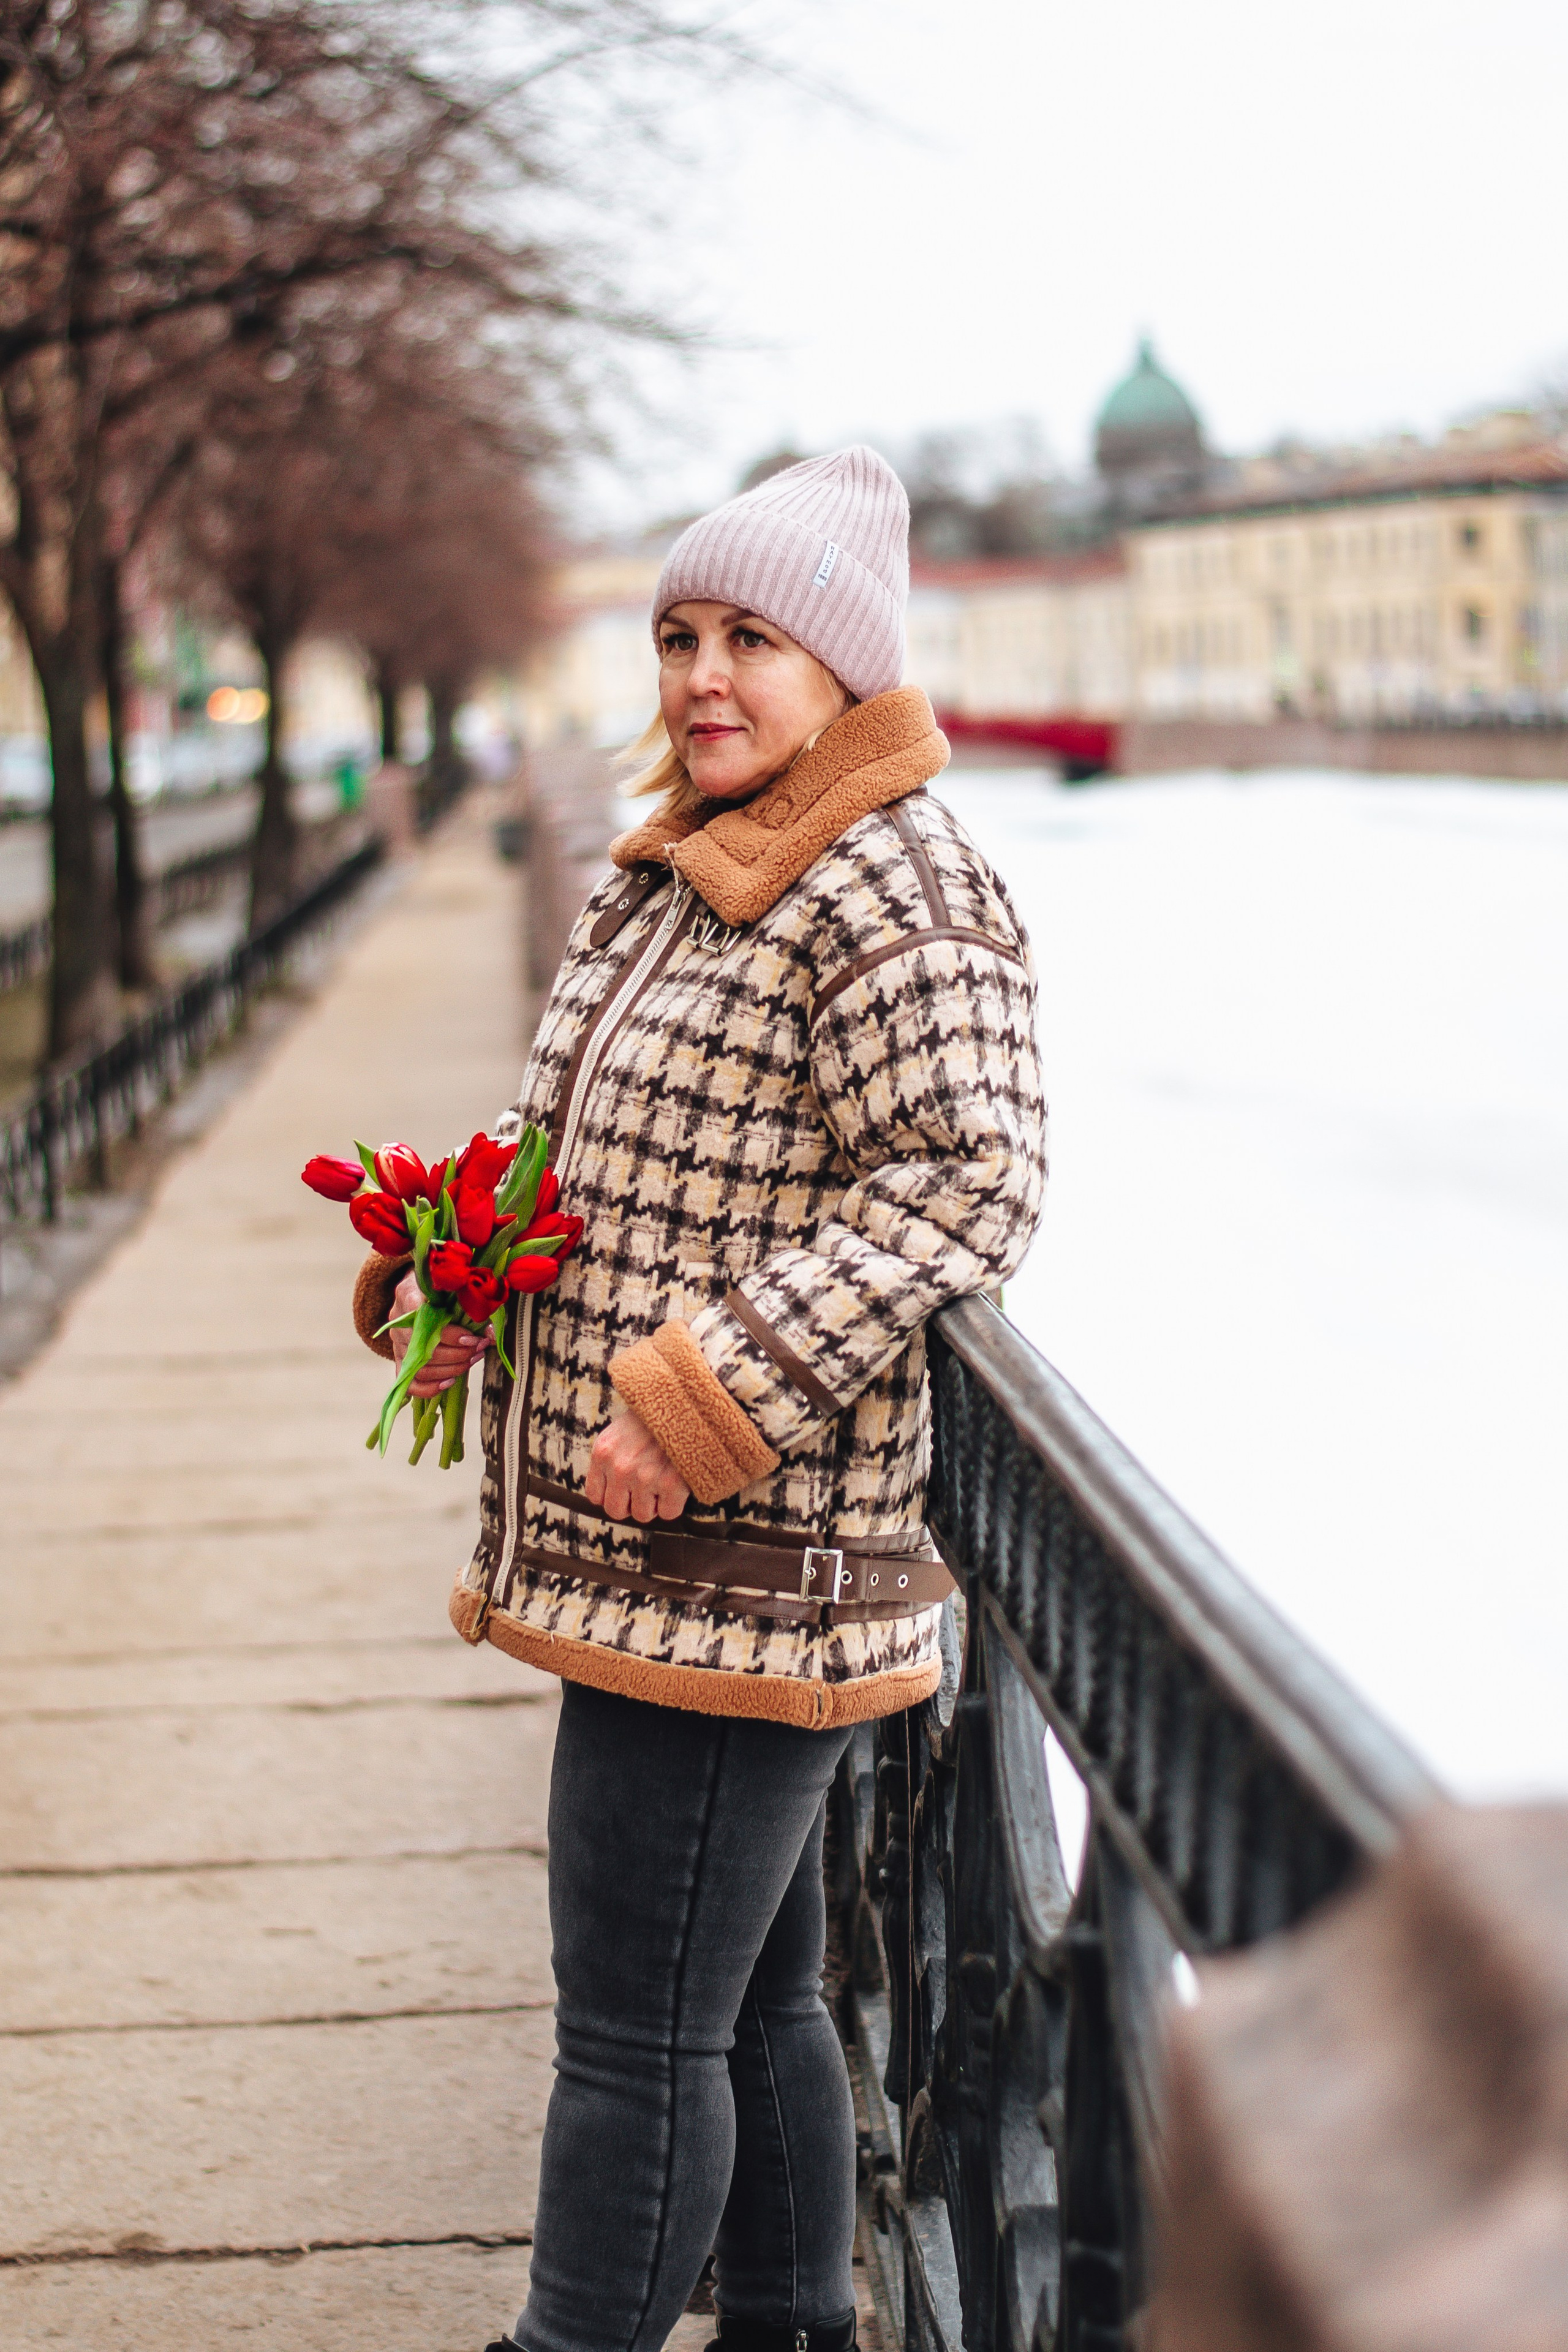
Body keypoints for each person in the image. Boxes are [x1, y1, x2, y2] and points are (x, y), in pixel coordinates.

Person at [353, 447, 1048, 2352]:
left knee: (631, 2037)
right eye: (678, 634)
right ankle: (795, 2330)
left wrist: (706, 1395)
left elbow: (967, 1178)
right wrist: (462, 1231)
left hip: (748, 1552)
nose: (704, 675)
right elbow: (575, 1115)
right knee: (751, 2009)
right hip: (668, 1552)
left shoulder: (893, 877)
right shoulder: (679, 865)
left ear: (848, 673)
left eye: (753, 637)